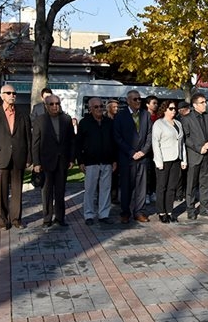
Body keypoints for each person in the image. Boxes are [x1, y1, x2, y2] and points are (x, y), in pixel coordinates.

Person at [0, 84, 32, 229]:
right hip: (0, 158)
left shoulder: (23, 114)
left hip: (18, 157)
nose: (12, 95)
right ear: (2, 95)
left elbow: (28, 138)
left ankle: (16, 219)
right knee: (1, 191)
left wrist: (29, 158)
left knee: (17, 191)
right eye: (9, 93)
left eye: (14, 93)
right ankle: (2, 220)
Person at [32, 94, 75, 227]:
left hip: (62, 161)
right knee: (47, 192)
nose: (55, 106)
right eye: (52, 104)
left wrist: (72, 159)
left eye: (57, 103)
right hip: (46, 161)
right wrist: (36, 162)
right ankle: (47, 218)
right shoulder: (40, 120)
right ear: (46, 106)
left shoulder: (66, 119)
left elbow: (71, 141)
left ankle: (60, 218)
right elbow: (35, 143)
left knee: (60, 191)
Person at [76, 98, 116, 225]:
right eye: (96, 107)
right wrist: (80, 161)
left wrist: (114, 160)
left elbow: (114, 142)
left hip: (107, 161)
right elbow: (78, 143)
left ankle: (104, 214)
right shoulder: (84, 123)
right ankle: (89, 215)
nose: (99, 109)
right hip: (90, 161)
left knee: (106, 189)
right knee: (90, 190)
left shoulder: (109, 122)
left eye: (101, 106)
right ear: (90, 109)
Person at [114, 89, 152, 223]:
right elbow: (117, 137)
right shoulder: (120, 116)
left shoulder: (146, 115)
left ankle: (139, 212)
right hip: (127, 158)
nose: (138, 101)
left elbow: (149, 135)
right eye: (135, 99)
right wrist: (131, 153)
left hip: (142, 157)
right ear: (128, 100)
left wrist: (143, 151)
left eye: (139, 99)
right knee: (126, 186)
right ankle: (125, 212)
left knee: (141, 187)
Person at [182, 92, 208, 219]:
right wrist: (199, 148)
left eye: (205, 102)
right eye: (202, 102)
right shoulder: (186, 119)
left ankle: (205, 208)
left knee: (205, 183)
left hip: (207, 156)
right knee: (191, 185)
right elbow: (186, 138)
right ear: (194, 105)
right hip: (194, 156)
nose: (205, 104)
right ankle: (191, 210)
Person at [151, 100, 186, 222]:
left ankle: (170, 211)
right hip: (164, 159)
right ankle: (161, 212)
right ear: (164, 110)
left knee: (172, 187)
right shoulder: (159, 124)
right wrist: (158, 161)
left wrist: (183, 159)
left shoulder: (178, 123)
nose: (174, 111)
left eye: (175, 109)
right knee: (162, 187)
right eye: (171, 108)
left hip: (176, 159)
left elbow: (181, 143)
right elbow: (155, 143)